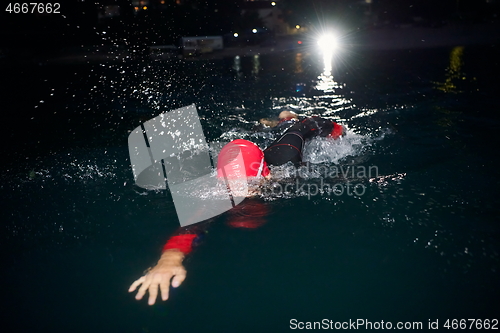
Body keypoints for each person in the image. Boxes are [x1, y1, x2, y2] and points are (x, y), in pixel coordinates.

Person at [128, 114, 345, 305]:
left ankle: (283, 118)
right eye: (233, 186)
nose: (242, 194)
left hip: (288, 137)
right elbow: (192, 226)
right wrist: (169, 260)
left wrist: (339, 132)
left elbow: (309, 125)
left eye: (249, 185)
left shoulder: (289, 163)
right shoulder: (221, 192)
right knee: (260, 131)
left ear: (266, 176)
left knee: (289, 125)